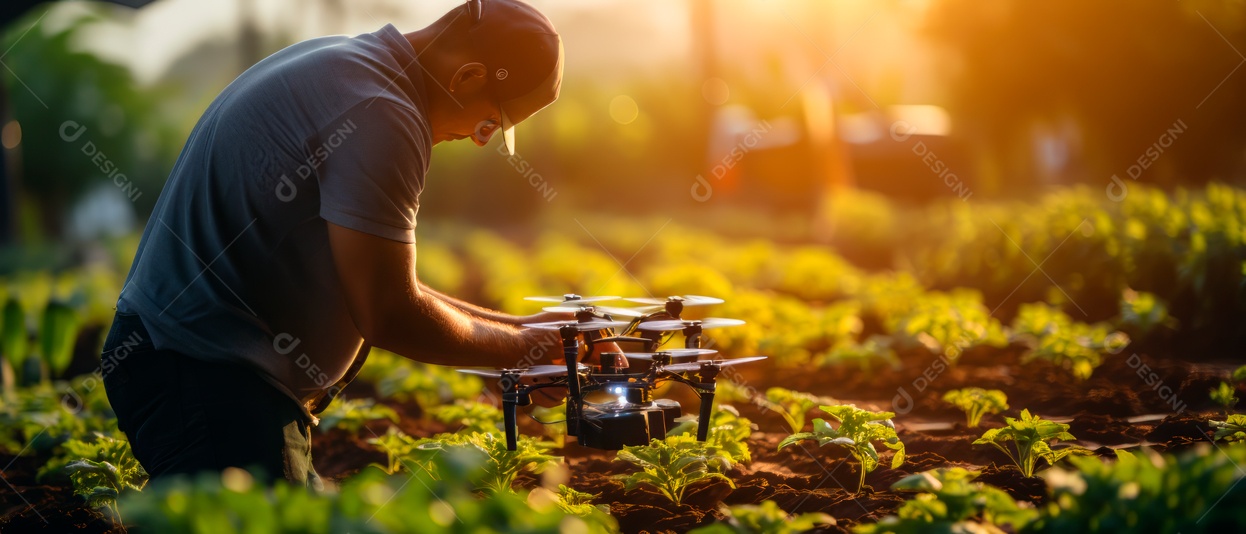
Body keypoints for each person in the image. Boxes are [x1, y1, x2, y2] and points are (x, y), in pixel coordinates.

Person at [100, 0, 604, 488]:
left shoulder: (352, 66)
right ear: (467, 77)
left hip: (202, 369)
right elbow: (387, 312)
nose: (481, 139)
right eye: (491, 122)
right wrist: (520, 348)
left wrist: (530, 331)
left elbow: (385, 284)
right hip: (200, 376)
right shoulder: (381, 111)